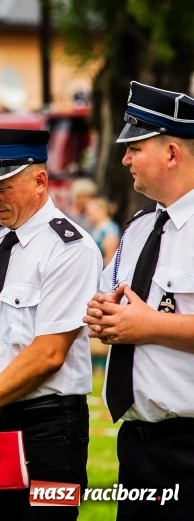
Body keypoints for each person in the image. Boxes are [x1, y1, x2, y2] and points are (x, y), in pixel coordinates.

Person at [0, 128, 101, 520]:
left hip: (48, 429)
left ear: (40, 181)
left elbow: (49, 354)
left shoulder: (69, 248)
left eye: (1, 187)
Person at [84, 81, 194, 520]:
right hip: (137, 442)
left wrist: (150, 326)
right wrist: (102, 315)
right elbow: (114, 303)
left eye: (135, 148)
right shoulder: (139, 227)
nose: (124, 159)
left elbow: (144, 322)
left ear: (173, 153)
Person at [85, 196, 120, 266]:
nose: (89, 213)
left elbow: (110, 260)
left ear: (103, 211)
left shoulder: (110, 230)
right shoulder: (93, 228)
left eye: (93, 210)